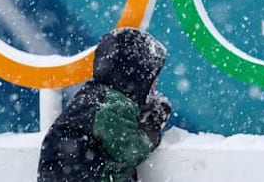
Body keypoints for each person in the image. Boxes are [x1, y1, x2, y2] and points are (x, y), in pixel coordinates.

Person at [38, 28, 171, 182]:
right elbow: (129, 150)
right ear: (135, 76)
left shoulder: (95, 97)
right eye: (151, 77)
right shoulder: (111, 104)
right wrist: (151, 126)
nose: (155, 83)